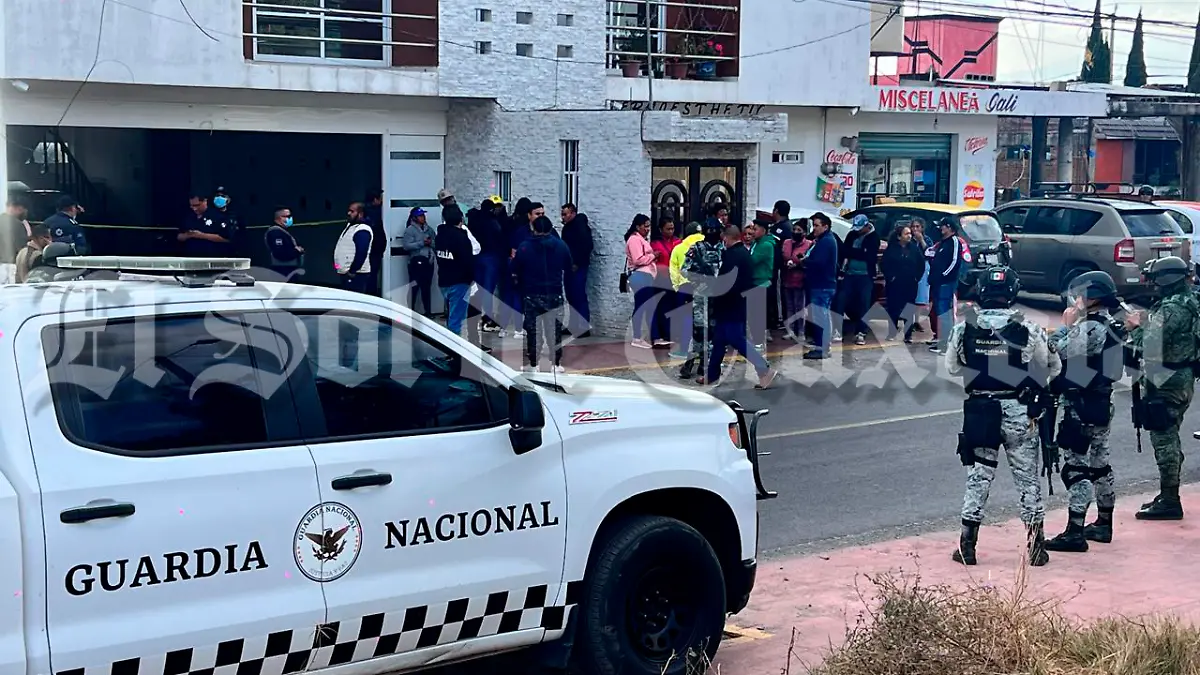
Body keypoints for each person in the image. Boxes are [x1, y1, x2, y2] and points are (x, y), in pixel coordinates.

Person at [945, 266, 1061, 567]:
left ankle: (967, 547)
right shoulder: (1029, 328)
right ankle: (1036, 549)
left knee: (978, 476)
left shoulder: (964, 328)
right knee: (1027, 479)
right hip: (1018, 410)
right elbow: (1053, 366)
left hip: (980, 410)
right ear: (1012, 291)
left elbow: (953, 368)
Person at [1043, 270, 1125, 552]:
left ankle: (1075, 531)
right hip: (1101, 402)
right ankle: (1104, 522)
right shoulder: (1111, 324)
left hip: (1082, 405)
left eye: (1081, 295)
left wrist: (1065, 326)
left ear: (1092, 298)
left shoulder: (1090, 328)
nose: (1076, 300)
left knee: (1076, 467)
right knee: (1100, 464)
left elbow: (1055, 351)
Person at [1124, 256, 1200, 520]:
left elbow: (1148, 346)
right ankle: (1168, 493)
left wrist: (1135, 327)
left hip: (1167, 379)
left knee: (1164, 438)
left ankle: (1170, 500)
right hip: (1182, 374)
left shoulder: (1171, 309)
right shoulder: (1190, 301)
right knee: (1170, 434)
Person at [698, 225, 778, 390]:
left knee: (736, 339)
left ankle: (764, 369)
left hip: (731, 303)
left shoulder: (733, 256)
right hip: (734, 302)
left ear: (727, 238)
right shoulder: (743, 253)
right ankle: (712, 374)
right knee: (719, 339)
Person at [513, 215, 573, 373]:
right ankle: (556, 364)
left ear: (533, 228)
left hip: (532, 292)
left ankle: (534, 363)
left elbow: (515, 268)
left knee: (533, 330)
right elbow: (569, 266)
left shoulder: (525, 247)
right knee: (554, 329)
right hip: (554, 292)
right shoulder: (561, 246)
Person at [678, 220, 725, 380]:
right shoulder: (696, 248)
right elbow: (684, 270)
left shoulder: (723, 249)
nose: (713, 233)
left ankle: (705, 363)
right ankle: (691, 361)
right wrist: (699, 280)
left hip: (717, 295)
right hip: (700, 295)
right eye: (710, 230)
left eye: (715, 230)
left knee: (712, 331)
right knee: (699, 331)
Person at [804, 212, 839, 360]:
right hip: (822, 284)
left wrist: (805, 261)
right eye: (814, 225)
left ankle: (822, 348)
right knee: (821, 316)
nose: (814, 228)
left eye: (817, 225)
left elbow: (819, 263)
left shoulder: (826, 242)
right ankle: (822, 346)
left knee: (820, 317)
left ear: (826, 226)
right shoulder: (823, 240)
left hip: (822, 284)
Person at [880, 224, 924, 342]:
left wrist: (917, 278)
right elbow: (884, 264)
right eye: (906, 233)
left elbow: (921, 264)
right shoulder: (891, 249)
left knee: (909, 308)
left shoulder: (914, 248)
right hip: (895, 284)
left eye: (910, 233)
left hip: (910, 283)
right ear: (899, 236)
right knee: (893, 308)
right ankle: (892, 332)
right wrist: (891, 277)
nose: (909, 236)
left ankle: (908, 335)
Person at [435, 204, 474, 337]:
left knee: (451, 315)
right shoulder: (461, 238)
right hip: (459, 281)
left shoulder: (440, 236)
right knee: (456, 319)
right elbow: (467, 261)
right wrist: (471, 278)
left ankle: (449, 341)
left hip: (444, 280)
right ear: (460, 218)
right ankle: (453, 346)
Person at [841, 214, 880, 346]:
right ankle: (837, 329)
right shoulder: (852, 234)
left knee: (864, 303)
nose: (857, 231)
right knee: (842, 299)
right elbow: (845, 250)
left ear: (867, 226)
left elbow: (869, 256)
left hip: (865, 275)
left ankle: (861, 332)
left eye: (860, 228)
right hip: (849, 273)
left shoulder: (874, 237)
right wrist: (858, 252)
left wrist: (854, 252)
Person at [467, 197, 505, 329]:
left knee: (477, 288)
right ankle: (487, 317)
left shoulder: (473, 221)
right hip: (491, 258)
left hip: (477, 257)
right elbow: (500, 240)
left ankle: (476, 316)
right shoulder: (493, 223)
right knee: (489, 289)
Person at [669, 221, 705, 359]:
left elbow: (673, 270)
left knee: (686, 319)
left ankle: (684, 349)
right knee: (704, 319)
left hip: (685, 287)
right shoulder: (708, 246)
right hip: (705, 287)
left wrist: (677, 287)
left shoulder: (679, 248)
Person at [927, 218, 963, 354]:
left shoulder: (954, 242)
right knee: (939, 311)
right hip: (937, 282)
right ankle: (943, 340)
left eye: (942, 226)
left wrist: (943, 275)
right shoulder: (942, 242)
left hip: (946, 283)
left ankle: (947, 344)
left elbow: (955, 262)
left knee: (944, 312)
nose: (940, 228)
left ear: (949, 227)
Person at [561, 202, 594, 337]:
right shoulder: (567, 228)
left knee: (578, 295)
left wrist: (577, 262)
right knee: (571, 296)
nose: (563, 217)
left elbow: (586, 247)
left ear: (573, 213)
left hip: (578, 266)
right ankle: (574, 325)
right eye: (562, 214)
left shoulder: (580, 228)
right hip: (569, 266)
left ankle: (583, 327)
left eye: (565, 214)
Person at [625, 214, 657, 349]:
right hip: (640, 276)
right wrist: (653, 256)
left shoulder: (641, 239)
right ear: (638, 227)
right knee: (641, 306)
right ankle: (637, 337)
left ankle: (651, 336)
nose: (648, 229)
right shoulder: (634, 240)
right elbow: (638, 260)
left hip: (645, 276)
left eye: (649, 226)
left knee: (648, 306)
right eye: (645, 226)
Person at [748, 217, 777, 353]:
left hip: (761, 282)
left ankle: (759, 342)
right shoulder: (757, 243)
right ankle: (756, 339)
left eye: (755, 229)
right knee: (753, 314)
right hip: (755, 281)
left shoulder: (765, 245)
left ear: (764, 231)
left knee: (758, 314)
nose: (753, 232)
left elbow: (752, 260)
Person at [651, 215, 681, 348]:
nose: (671, 231)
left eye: (672, 228)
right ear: (661, 229)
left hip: (674, 278)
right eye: (668, 229)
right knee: (661, 307)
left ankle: (671, 333)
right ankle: (662, 334)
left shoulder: (678, 242)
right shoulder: (655, 244)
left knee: (672, 307)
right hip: (660, 279)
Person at [780, 219, 812, 342]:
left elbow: (808, 262)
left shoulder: (808, 244)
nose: (796, 232)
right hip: (787, 278)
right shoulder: (787, 243)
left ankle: (801, 332)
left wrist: (798, 265)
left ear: (804, 232)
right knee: (789, 306)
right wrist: (786, 263)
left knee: (800, 307)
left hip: (800, 279)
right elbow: (783, 256)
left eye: (799, 230)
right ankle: (790, 330)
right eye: (794, 229)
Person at [401, 207, 436, 316]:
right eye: (420, 216)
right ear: (414, 218)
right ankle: (410, 311)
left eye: (423, 215)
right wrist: (421, 243)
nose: (423, 218)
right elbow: (406, 246)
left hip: (428, 261)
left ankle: (428, 312)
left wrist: (430, 243)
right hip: (416, 261)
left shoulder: (429, 229)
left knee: (427, 287)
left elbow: (436, 243)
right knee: (414, 287)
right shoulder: (410, 230)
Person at [333, 202, 374, 294]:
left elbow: (362, 252)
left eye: (352, 211)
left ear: (360, 214)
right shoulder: (350, 226)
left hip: (356, 275)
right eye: (349, 211)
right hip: (346, 273)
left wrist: (352, 271)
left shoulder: (362, 229)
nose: (349, 213)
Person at [178, 192, 232, 257]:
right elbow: (179, 236)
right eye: (192, 206)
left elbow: (226, 238)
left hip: (212, 257)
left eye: (197, 205)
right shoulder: (189, 218)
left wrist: (201, 235)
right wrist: (188, 235)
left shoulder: (217, 217)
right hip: (190, 256)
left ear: (205, 201)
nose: (195, 209)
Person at [768, 200, 793, 332]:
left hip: (779, 266)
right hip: (775, 266)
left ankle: (779, 318)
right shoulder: (779, 226)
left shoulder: (784, 227)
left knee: (778, 292)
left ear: (776, 210)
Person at [263, 206, 304, 279]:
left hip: (289, 269)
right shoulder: (275, 232)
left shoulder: (283, 231)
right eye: (288, 216)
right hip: (282, 270)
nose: (290, 218)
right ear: (280, 218)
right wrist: (297, 251)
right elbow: (280, 253)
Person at [364, 190, 387, 294]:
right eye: (380, 198)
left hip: (373, 250)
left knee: (371, 275)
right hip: (374, 250)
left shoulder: (367, 213)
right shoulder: (375, 214)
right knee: (372, 276)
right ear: (375, 200)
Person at [210, 187, 241, 258]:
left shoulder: (234, 216)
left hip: (230, 253)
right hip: (212, 253)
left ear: (228, 199)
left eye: (222, 196)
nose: (219, 198)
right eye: (217, 196)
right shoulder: (209, 214)